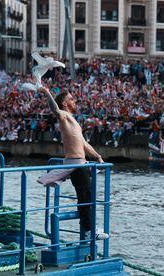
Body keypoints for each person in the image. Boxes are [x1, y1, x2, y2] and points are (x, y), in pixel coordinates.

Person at [36, 87, 109, 240]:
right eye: (71, 99)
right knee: (84, 196)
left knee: (87, 196)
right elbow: (55, 110)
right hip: (75, 164)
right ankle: (89, 230)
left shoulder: (74, 121)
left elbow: (84, 144)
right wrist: (47, 92)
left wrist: (98, 157)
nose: (74, 101)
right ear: (64, 103)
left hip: (82, 163)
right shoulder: (63, 116)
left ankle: (89, 228)